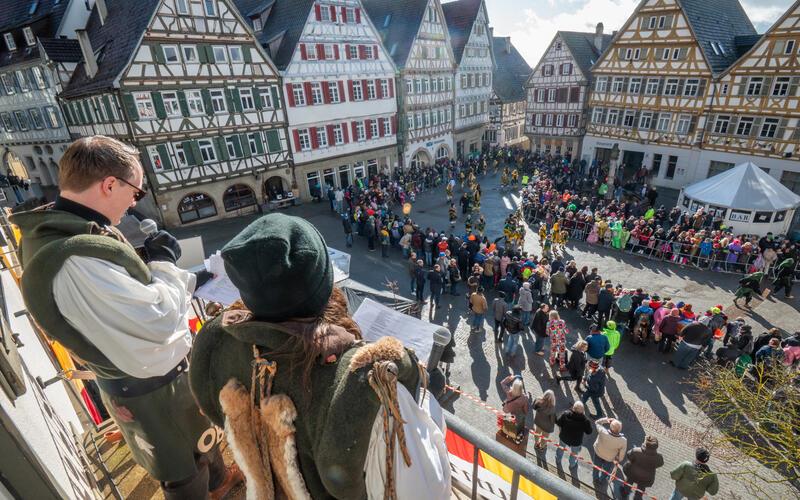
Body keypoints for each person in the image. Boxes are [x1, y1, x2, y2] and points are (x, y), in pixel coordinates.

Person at [11, 136, 240, 499]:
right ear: (109, 184)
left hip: (149, 379)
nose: (135, 202)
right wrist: (163, 263)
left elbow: (122, 293)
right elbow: (157, 318)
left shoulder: (65, 231)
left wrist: (173, 276)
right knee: (179, 463)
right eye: (135, 192)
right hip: (147, 386)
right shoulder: (73, 257)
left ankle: (220, 483)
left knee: (199, 438)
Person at [190, 214, 450, 499]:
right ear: (322, 280)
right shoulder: (359, 383)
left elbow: (214, 410)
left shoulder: (215, 343)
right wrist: (417, 381)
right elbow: (424, 487)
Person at [615, 435, 664, 500]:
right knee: (641, 488)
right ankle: (637, 498)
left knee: (629, 482)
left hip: (632, 472)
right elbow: (660, 464)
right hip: (646, 477)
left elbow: (629, 455)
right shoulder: (658, 457)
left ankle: (625, 493)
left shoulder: (636, 450)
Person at [591, 417, 627, 495]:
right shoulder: (623, 440)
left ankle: (595, 478)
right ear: (620, 430)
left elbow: (597, 422)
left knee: (596, 467)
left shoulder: (602, 431)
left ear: (610, 426)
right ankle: (601, 480)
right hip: (610, 458)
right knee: (606, 470)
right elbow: (622, 453)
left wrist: (606, 420)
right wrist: (618, 460)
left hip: (598, 453)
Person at [555, 401, 593, 473]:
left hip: (564, 437)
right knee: (574, 454)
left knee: (560, 449)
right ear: (583, 411)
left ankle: (558, 460)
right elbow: (589, 432)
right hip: (576, 442)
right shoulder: (585, 421)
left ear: (573, 408)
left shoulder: (566, 414)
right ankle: (572, 465)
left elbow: (558, 422)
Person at [501, 375, 530, 440]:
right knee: (517, 424)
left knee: (509, 419)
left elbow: (502, 383)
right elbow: (525, 409)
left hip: (509, 409)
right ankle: (515, 436)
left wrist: (511, 378)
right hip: (518, 412)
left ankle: (508, 431)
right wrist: (525, 413)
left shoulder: (509, 392)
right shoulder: (524, 398)